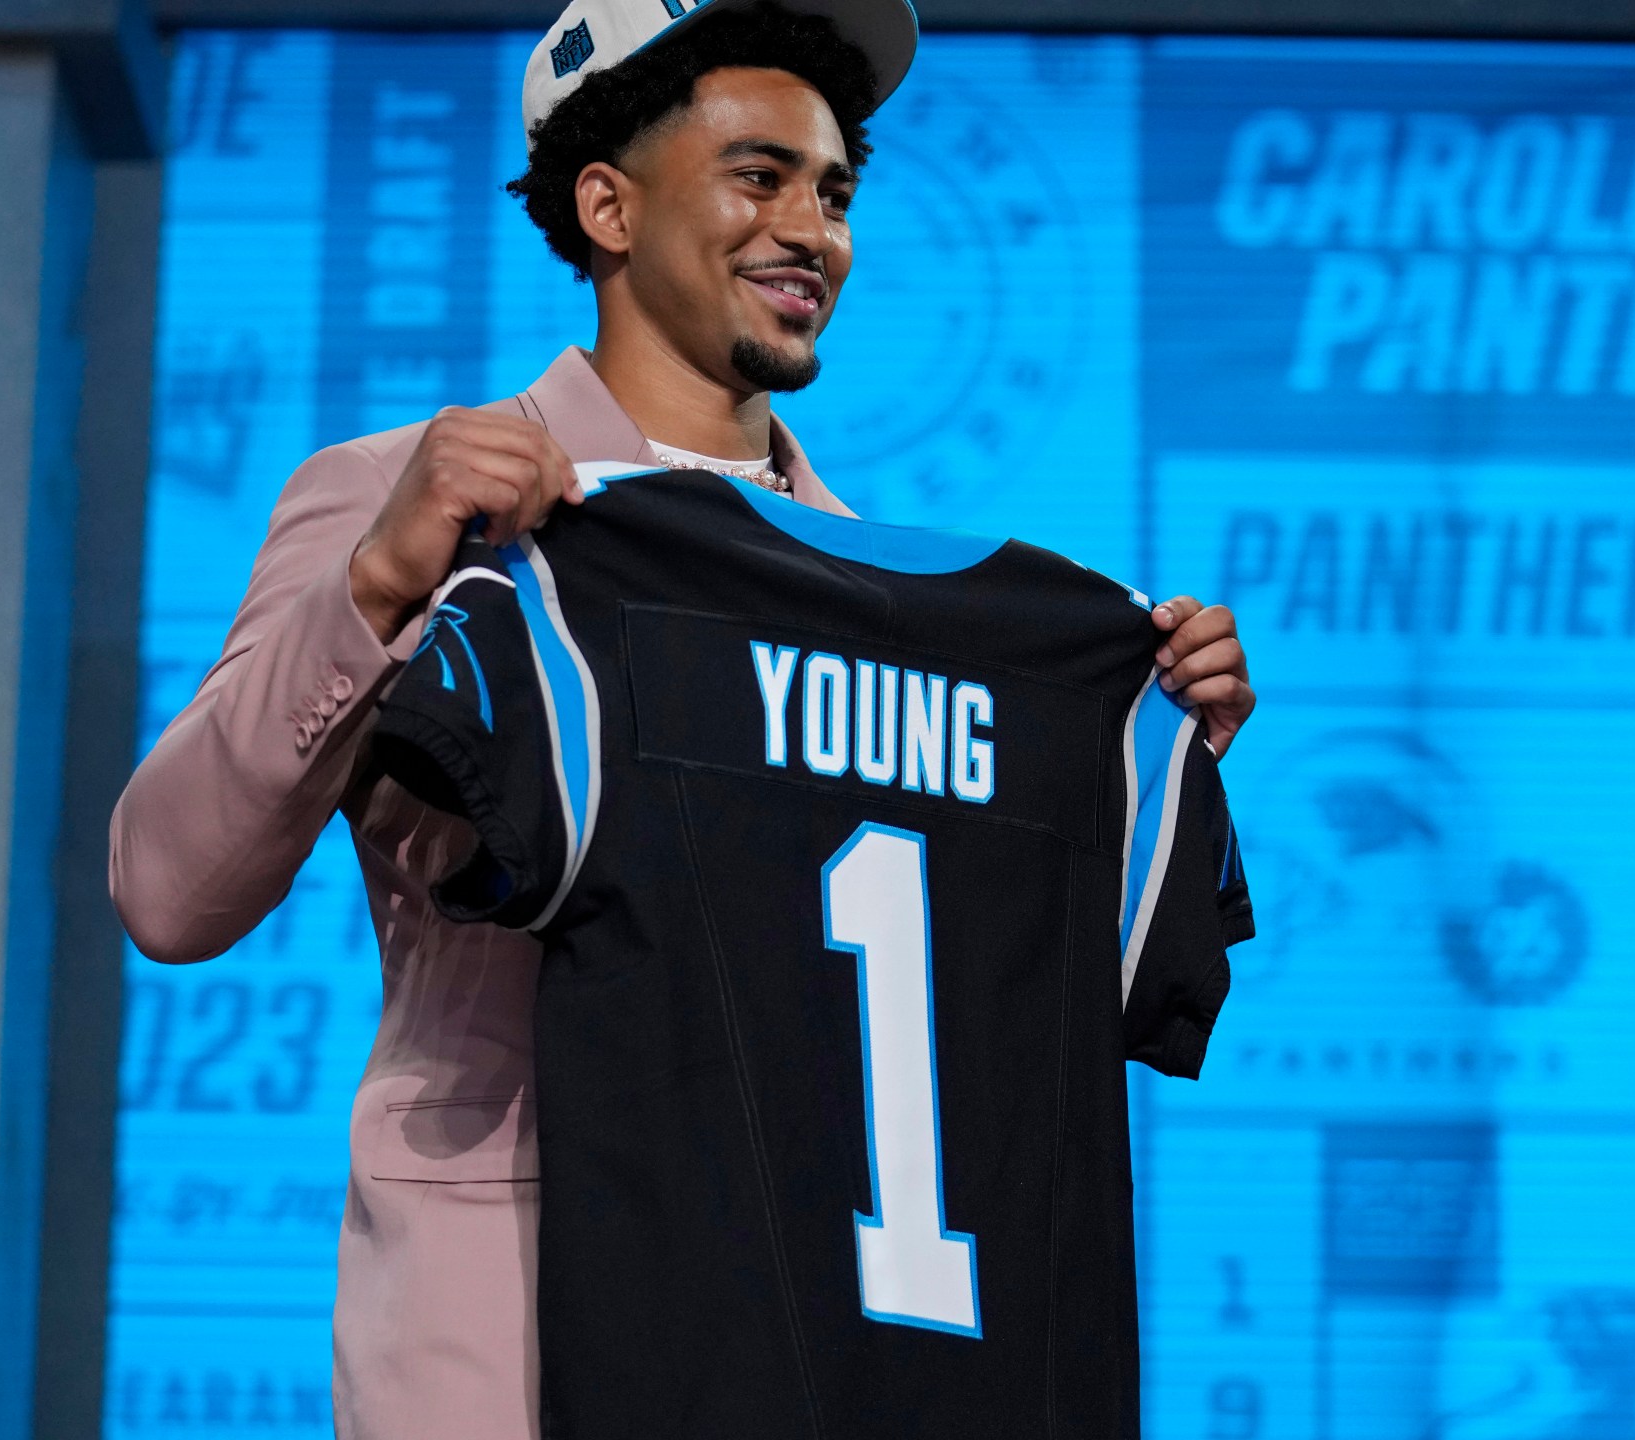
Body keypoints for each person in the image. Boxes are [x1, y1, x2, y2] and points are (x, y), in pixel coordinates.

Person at [109, 0, 1257, 1434]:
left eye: (836, 191)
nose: (812, 231)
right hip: (503, 1321)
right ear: (606, 203)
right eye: (758, 175)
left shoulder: (910, 611)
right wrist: (379, 583)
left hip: (825, 1325)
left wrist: (1147, 749)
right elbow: (164, 890)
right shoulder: (404, 493)